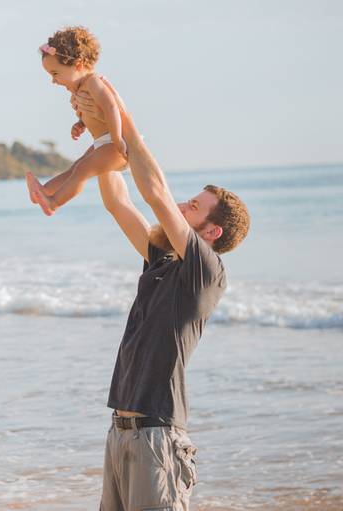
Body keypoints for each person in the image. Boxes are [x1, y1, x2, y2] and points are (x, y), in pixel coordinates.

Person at [73, 80, 250, 510]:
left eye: (192, 205)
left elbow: (154, 194)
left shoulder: (206, 271)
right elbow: (119, 202)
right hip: (120, 432)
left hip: (158, 438)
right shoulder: (162, 261)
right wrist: (100, 129)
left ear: (212, 232)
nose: (181, 206)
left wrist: (119, 115)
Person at [25, 26, 127, 216]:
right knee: (75, 168)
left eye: (55, 73)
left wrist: (118, 138)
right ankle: (44, 191)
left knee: (82, 169)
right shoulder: (81, 89)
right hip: (103, 142)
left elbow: (111, 107)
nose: (53, 81)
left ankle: (53, 203)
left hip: (115, 143)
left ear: (78, 65)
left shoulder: (93, 82)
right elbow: (95, 115)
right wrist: (81, 124)